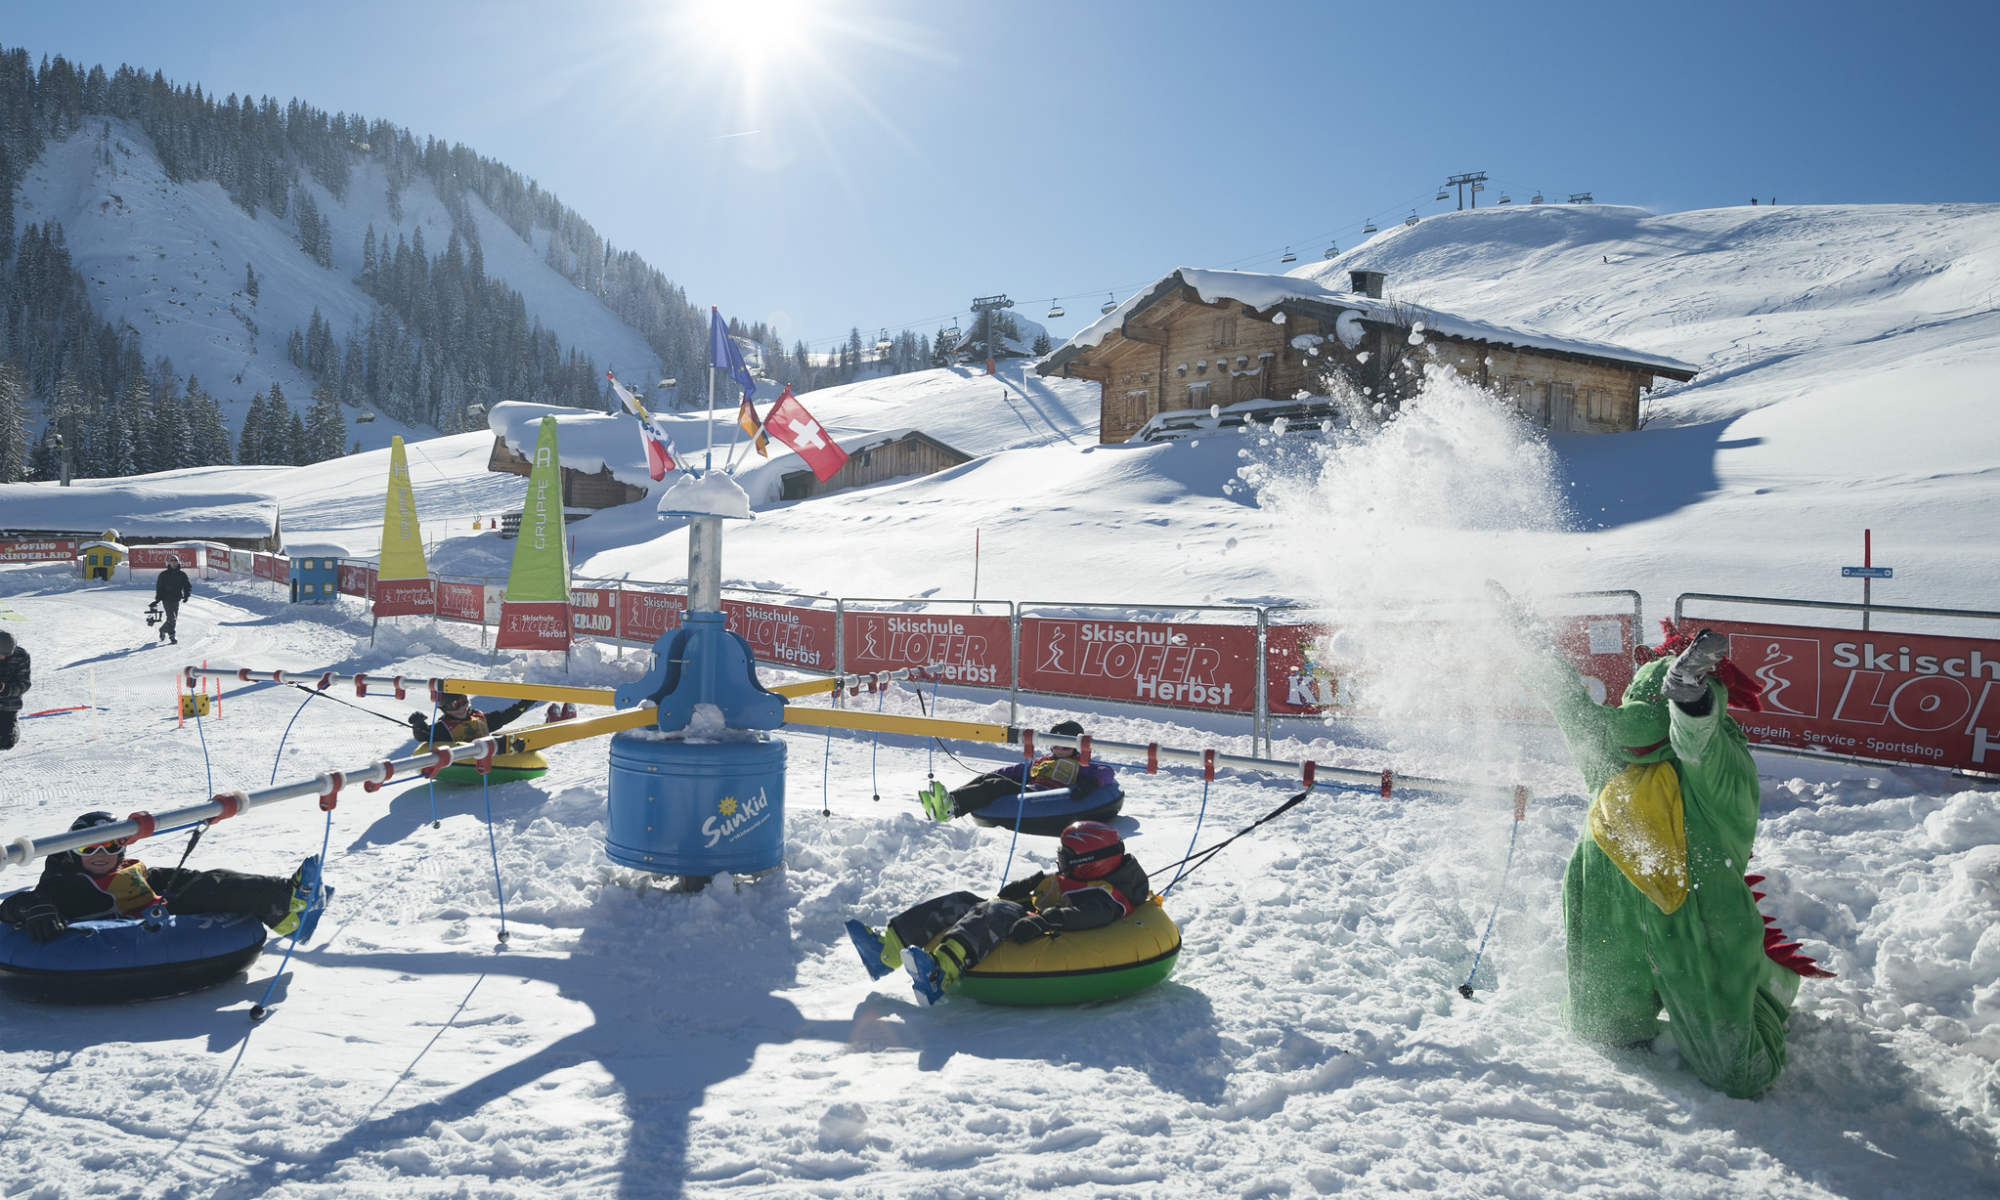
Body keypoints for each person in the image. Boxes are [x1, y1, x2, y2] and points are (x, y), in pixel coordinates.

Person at [1500, 588, 1830, 1099]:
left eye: (1657, 708)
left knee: (1736, 1072)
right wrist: (1528, 641)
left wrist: (1690, 697)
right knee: (1601, 1032)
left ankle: (1763, 993)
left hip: (1695, 920)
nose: (1631, 725)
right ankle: (1631, 1007)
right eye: (1635, 704)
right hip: (1609, 911)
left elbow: (1696, 740)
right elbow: (1569, 703)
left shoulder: (1716, 770)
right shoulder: (1614, 756)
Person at [846, 820, 1150, 1004]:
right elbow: (1050, 885)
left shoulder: (1107, 897)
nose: (1061, 864)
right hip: (1031, 909)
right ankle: (886, 948)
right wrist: (1029, 885)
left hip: (1035, 924)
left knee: (996, 912)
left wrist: (1043, 921)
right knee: (963, 899)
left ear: (1092, 862)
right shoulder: (1086, 876)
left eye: (1066, 859)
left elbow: (1087, 916)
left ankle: (939, 974)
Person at [0, 812, 331, 946]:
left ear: (122, 847)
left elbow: (190, 881)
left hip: (157, 915)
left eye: (111, 844)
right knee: (206, 887)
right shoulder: (65, 883)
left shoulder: (134, 871)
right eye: (88, 847)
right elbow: (16, 904)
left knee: (212, 882)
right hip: (114, 941)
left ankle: (286, 908)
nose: (99, 854)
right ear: (74, 853)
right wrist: (37, 908)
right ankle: (291, 903)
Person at [918, 719, 1118, 822]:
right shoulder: (1043, 761)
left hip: (1049, 796)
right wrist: (995, 773)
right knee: (990, 778)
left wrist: (1091, 783)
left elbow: (1106, 772)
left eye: (1064, 746)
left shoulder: (1081, 764)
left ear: (1076, 748)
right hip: (1030, 790)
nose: (1058, 750)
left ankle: (953, 806)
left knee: (995, 785)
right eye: (1055, 745)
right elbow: (1016, 770)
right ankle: (946, 802)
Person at [408, 691, 539, 745]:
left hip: (490, 757)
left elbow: (505, 716)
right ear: (445, 709)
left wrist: (524, 704)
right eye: (455, 704)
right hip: (466, 761)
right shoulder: (444, 727)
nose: (462, 707)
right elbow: (424, 736)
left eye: (464, 701)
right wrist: (418, 723)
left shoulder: (478, 717)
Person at [154, 555, 193, 644]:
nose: (174, 563)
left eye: (175, 561)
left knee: (173, 618)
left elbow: (187, 586)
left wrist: (186, 595)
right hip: (166, 599)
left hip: (176, 599)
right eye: (172, 561)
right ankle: (172, 636)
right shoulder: (164, 574)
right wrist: (158, 599)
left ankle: (163, 629)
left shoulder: (182, 574)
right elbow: (159, 587)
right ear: (169, 563)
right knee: (172, 618)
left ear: (178, 562)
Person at [0, 630, 28, 751]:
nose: (2, 657)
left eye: (6, 655)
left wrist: (5, 689)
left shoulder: (21, 656)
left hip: (8, 703)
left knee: (6, 742)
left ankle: (12, 727)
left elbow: (24, 684)